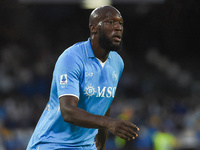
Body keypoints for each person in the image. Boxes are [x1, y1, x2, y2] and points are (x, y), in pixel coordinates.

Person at [26, 5, 139, 150]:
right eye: (110, 22)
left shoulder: (117, 63)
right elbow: (68, 111)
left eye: (120, 23)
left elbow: (104, 103)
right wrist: (109, 123)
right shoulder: (72, 58)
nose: (118, 27)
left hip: (85, 146)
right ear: (93, 28)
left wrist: (101, 142)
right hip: (52, 143)